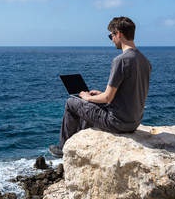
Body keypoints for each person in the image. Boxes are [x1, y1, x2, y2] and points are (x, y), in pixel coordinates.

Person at [49, 16, 152, 158]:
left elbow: (108, 97)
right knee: (89, 104)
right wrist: (99, 95)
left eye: (111, 36)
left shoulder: (121, 60)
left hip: (117, 122)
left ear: (118, 34)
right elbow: (128, 92)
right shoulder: (144, 60)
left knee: (72, 103)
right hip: (133, 122)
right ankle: (79, 141)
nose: (112, 40)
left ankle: (62, 148)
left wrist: (87, 97)